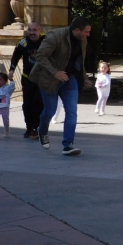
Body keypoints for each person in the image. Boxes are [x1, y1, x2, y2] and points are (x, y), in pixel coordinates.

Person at [31, 16, 93, 156]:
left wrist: (84, 77)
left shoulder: (82, 40)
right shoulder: (55, 36)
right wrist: (55, 72)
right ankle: (42, 130)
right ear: (77, 30)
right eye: (86, 32)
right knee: (50, 111)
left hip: (68, 78)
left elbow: (79, 60)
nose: (88, 35)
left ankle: (68, 145)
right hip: (49, 78)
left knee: (72, 112)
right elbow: (40, 56)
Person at [9, 21, 45, 139]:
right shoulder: (24, 42)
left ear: (40, 30)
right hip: (27, 78)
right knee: (27, 104)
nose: (31, 32)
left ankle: (36, 127)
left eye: (34, 30)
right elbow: (16, 55)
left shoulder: (46, 41)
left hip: (41, 78)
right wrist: (12, 69)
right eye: (29, 30)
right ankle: (29, 127)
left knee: (38, 102)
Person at [0, 72, 16, 139]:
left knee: (5, 120)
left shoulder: (7, 88)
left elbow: (12, 87)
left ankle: (6, 130)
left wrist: (11, 80)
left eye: (0, 79)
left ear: (5, 81)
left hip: (5, 107)